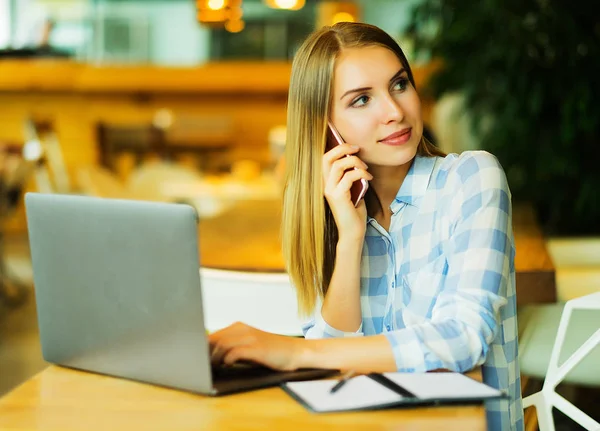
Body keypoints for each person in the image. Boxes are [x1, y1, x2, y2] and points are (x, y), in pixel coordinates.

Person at [209, 22, 522, 431]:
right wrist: (351, 238)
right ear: (326, 126)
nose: (394, 112)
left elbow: (465, 337)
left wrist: (292, 352)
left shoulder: (471, 178)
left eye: (399, 84)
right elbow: (332, 365)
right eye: (361, 100)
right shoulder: (329, 212)